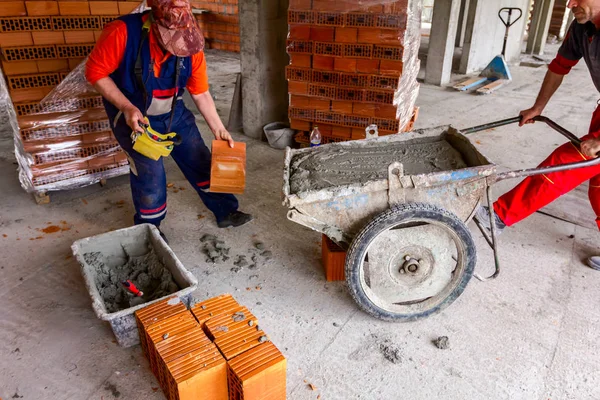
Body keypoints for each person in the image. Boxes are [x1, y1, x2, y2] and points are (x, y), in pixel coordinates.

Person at [85, 0, 252, 240]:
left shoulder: (191, 41)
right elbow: (95, 72)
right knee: (151, 177)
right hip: (135, 118)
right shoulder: (122, 32)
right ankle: (149, 229)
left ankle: (226, 211)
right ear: (157, 27)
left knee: (200, 160)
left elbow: (201, 91)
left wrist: (219, 129)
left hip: (173, 111)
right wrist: (127, 107)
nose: (180, 48)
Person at [475, 0, 600, 270]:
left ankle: (498, 216)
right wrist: (538, 107)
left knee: (566, 162)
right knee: (599, 191)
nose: (570, 4)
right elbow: (558, 67)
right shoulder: (582, 28)